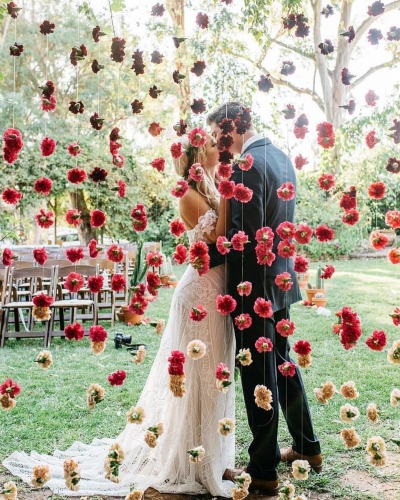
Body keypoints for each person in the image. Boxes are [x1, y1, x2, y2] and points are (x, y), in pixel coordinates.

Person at [3, 134, 236, 497]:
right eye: (207, 145)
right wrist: (231, 197)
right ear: (194, 155)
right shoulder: (187, 197)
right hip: (200, 292)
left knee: (215, 374)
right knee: (199, 377)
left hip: (217, 291)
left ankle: (215, 456)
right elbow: (219, 243)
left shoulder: (210, 187)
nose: (216, 148)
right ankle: (194, 461)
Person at [207, 102, 322, 497]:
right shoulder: (282, 158)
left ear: (231, 128)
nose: (220, 145)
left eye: (220, 135)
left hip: (252, 290)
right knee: (283, 365)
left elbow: (245, 239)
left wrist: (215, 273)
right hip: (281, 282)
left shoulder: (247, 165)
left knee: (260, 376)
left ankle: (263, 470)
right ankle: (308, 446)